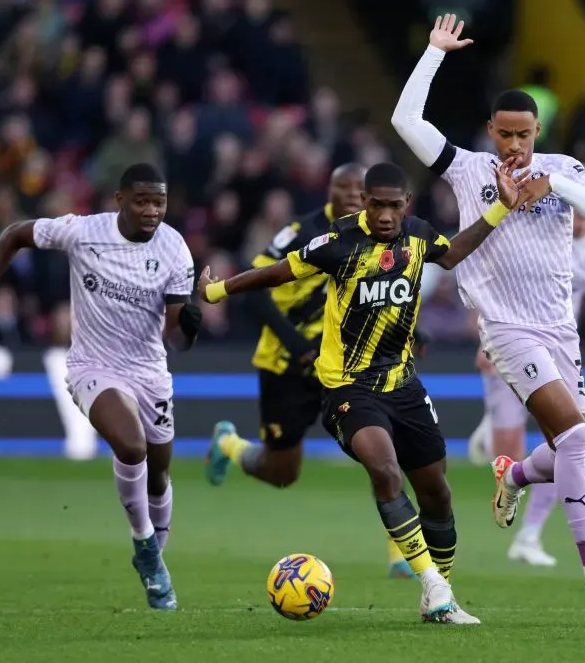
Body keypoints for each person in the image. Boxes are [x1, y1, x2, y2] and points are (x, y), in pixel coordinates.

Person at [198, 161, 526, 624]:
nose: (386, 215)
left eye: (394, 205)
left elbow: (452, 254)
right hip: (347, 384)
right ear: (365, 203)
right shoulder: (338, 242)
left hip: (403, 384)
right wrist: (217, 293)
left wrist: (499, 212)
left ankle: (440, 593)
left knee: (437, 493)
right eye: (377, 205)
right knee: (384, 468)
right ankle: (432, 584)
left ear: (406, 204)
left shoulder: (419, 235)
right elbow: (277, 273)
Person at [391, 14, 585, 605]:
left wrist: (556, 187)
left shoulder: (565, 171)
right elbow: (405, 121)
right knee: (574, 438)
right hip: (506, 328)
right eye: (506, 134)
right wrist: (433, 53)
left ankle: (516, 474)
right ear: (491, 131)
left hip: (560, 330)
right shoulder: (468, 169)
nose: (516, 145)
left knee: (566, 446)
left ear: (537, 131)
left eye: (525, 135)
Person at [0, 163, 199, 611]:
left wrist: (189, 325)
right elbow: (15, 233)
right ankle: (146, 548)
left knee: (160, 472)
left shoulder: (175, 250)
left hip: (150, 371)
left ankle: (153, 563)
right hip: (94, 365)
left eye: (159, 202)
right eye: (142, 201)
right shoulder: (82, 232)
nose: (152, 210)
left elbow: (176, 337)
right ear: (119, 201)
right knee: (132, 447)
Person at [204, 163, 422, 578]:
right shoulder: (300, 232)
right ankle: (229, 443)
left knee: (385, 450)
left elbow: (383, 295)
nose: (352, 196)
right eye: (344, 188)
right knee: (281, 472)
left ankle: (400, 554)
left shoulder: (378, 238)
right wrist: (297, 344)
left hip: (344, 368)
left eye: (360, 190)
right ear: (330, 190)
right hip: (286, 365)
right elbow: (259, 294)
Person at [466, 163, 585, 569]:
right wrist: (483, 335)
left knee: (568, 443)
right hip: (513, 337)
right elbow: (479, 271)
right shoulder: (528, 217)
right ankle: (504, 458)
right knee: (514, 446)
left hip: (558, 344)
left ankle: (529, 530)